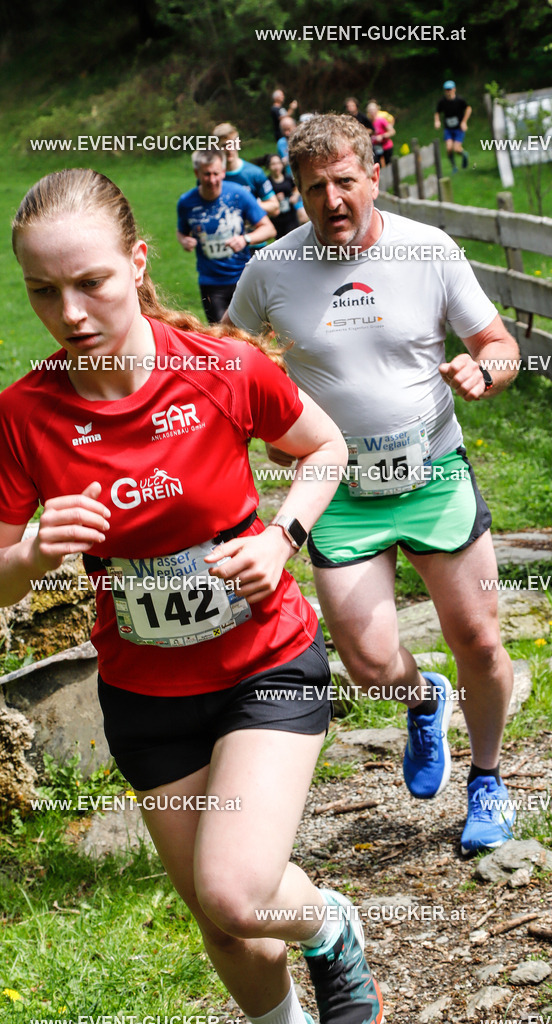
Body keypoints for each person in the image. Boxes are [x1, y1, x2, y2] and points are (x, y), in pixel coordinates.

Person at [1, 167, 384, 1024]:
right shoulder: (23, 417)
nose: (69, 314)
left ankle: (330, 929)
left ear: (137, 264)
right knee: (223, 924)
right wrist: (29, 551)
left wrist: (280, 537)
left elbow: (324, 451)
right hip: (146, 695)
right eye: (43, 292)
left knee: (238, 887)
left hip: (265, 665)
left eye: (91, 282)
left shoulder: (222, 370)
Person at [225, 114, 521, 855]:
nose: (331, 199)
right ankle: (424, 701)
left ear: (373, 176)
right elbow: (230, 365)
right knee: (367, 662)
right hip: (339, 489)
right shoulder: (270, 271)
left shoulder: (429, 249)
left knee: (480, 641)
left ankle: (487, 778)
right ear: (297, 190)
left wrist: (484, 370)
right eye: (314, 186)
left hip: (434, 470)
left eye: (344, 181)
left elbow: (498, 342)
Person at [177, 149, 275, 324]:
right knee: (221, 337)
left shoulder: (239, 195)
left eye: (216, 173)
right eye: (206, 174)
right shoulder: (186, 203)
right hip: (211, 282)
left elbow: (268, 229)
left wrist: (245, 239)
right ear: (197, 173)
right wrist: (185, 240)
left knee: (251, 335)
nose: (212, 180)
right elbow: (181, 232)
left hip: (243, 277)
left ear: (223, 172)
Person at [212, 122, 279, 221]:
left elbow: (275, 208)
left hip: (251, 234)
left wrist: (248, 204)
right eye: (224, 145)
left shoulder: (255, 173)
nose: (229, 149)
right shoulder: (210, 176)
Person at [434, 80, 471, 172]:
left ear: (454, 89)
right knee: (449, 148)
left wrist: (464, 122)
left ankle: (464, 154)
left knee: (456, 149)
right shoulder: (442, 102)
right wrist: (437, 121)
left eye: (450, 89)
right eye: (446, 90)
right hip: (448, 129)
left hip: (458, 129)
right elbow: (437, 112)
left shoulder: (459, 100)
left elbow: (468, 109)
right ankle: (454, 167)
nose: (448, 91)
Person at [267, 153, 305, 236]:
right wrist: (275, 198)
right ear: (269, 166)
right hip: (277, 218)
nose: (276, 167)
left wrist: (295, 196)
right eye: (273, 164)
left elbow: (296, 188)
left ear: (282, 164)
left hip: (291, 215)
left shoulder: (288, 178)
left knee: (294, 237)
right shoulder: (267, 182)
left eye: (278, 163)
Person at [366, 101, 395, 166]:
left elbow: (392, 131)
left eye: (373, 110)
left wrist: (382, 136)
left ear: (377, 110)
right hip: (375, 148)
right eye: (370, 110)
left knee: (388, 165)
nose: (372, 112)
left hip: (386, 146)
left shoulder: (381, 120)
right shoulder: (368, 122)